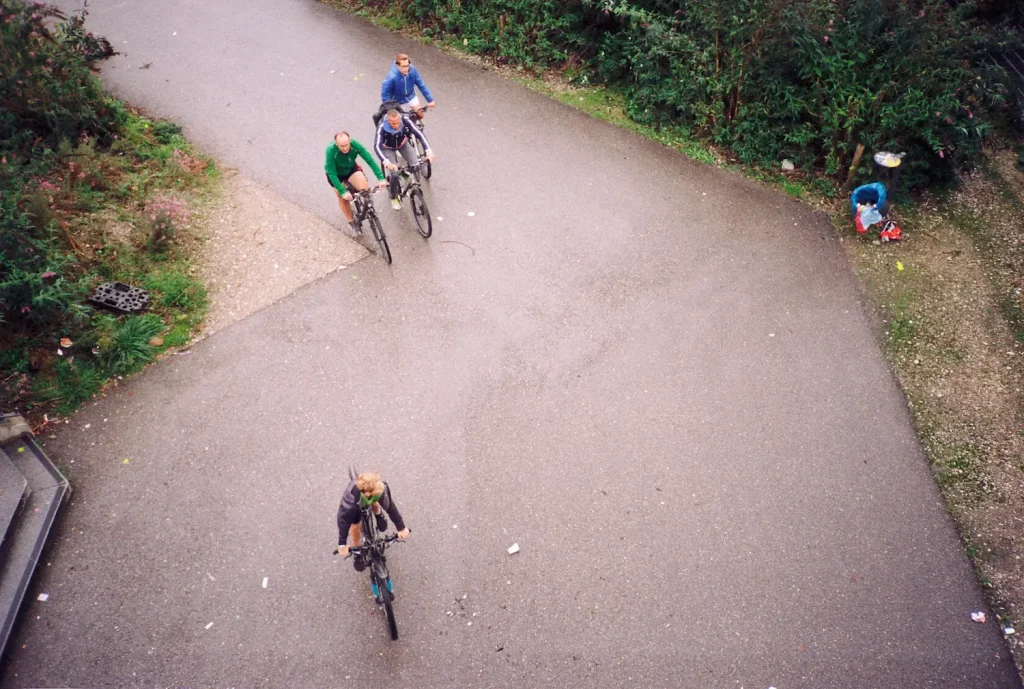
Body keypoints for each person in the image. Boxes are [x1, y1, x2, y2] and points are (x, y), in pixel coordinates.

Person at [337, 472, 409, 571]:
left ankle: (378, 513)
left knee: (378, 500)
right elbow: (343, 521)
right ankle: (358, 552)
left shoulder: (380, 487)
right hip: (357, 505)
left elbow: (391, 507)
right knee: (355, 526)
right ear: (367, 494)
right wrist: (342, 544)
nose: (381, 490)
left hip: (369, 497)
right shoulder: (351, 502)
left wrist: (401, 527)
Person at [325, 131, 388, 233]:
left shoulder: (355, 145)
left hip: (350, 169)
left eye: (346, 145)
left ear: (350, 141)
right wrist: (342, 191)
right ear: (336, 144)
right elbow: (331, 173)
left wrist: (381, 178)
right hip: (336, 175)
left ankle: (366, 206)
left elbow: (370, 160)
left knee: (365, 189)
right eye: (341, 146)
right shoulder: (331, 151)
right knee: (343, 198)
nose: (345, 148)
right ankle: (351, 222)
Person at [373, 109, 435, 210]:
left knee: (415, 165)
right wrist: (386, 162)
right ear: (388, 121)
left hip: (403, 144)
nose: (397, 125)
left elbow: (419, 134)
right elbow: (376, 146)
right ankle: (394, 197)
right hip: (387, 148)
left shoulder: (405, 119)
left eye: (398, 122)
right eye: (393, 123)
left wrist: (429, 152)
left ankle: (405, 174)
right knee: (394, 173)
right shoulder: (381, 127)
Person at [381, 53, 435, 120]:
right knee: (401, 121)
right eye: (403, 66)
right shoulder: (391, 78)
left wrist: (430, 100)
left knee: (420, 114)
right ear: (398, 66)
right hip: (398, 101)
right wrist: (389, 109)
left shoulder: (412, 70)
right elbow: (386, 94)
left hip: (410, 96)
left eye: (407, 65)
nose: (406, 69)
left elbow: (421, 84)